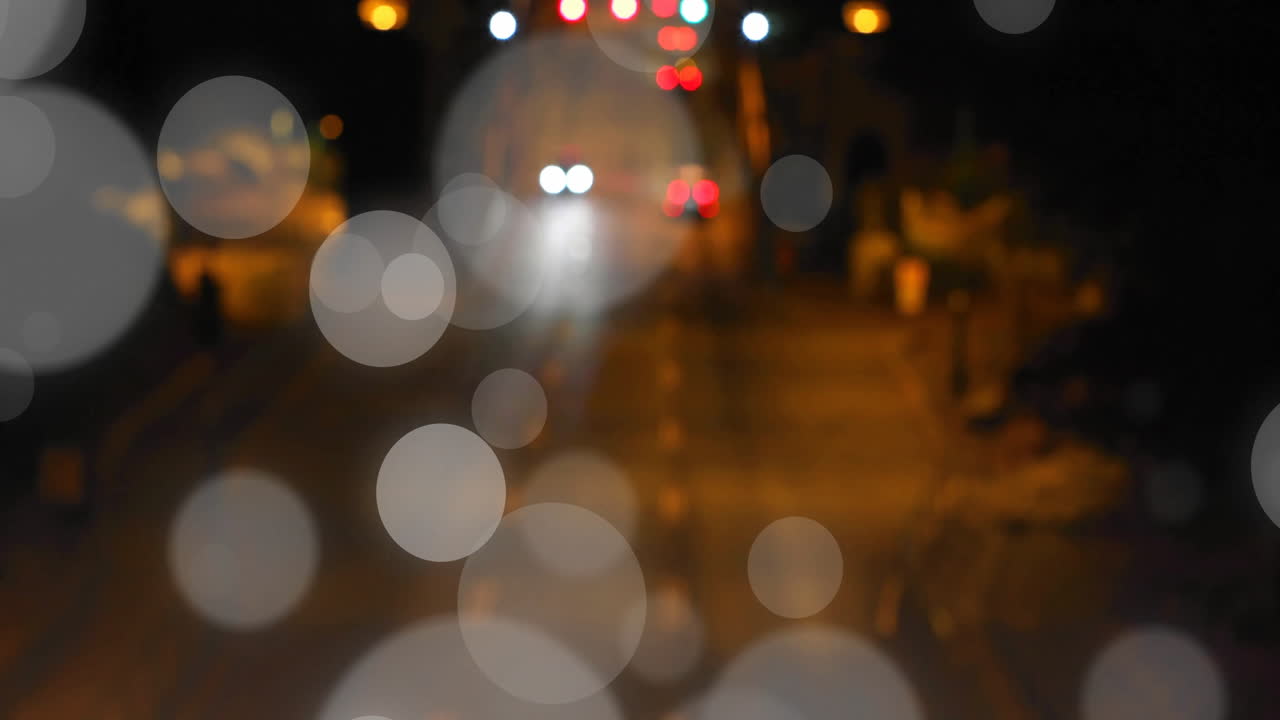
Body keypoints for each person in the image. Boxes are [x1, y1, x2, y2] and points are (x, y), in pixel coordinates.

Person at [193, 265, 224, 350]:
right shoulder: (209, 285)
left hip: (207, 311)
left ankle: (208, 342)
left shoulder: (205, 285)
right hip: (208, 311)